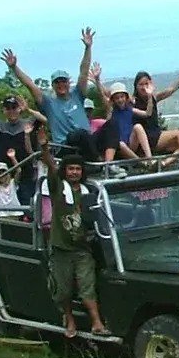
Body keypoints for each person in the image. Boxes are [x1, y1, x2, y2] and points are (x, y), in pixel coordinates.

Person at [36, 126, 110, 338]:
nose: (74, 172)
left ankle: (96, 323)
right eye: (71, 169)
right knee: (64, 290)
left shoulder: (90, 192)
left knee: (88, 287)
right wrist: (44, 147)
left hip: (82, 249)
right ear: (65, 171)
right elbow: (51, 167)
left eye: (78, 169)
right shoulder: (58, 188)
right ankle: (69, 320)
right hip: (61, 249)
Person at [1, 27, 94, 146]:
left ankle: (106, 162)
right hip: (66, 145)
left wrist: (88, 48)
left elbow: (84, 71)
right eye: (57, 82)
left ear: (68, 82)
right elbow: (30, 85)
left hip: (87, 142)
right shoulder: (49, 103)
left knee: (109, 127)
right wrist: (14, 67)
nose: (61, 84)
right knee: (79, 134)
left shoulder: (77, 94)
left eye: (63, 81)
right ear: (53, 85)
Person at [131, 65, 179, 165]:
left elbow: (172, 89)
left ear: (151, 84)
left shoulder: (154, 97)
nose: (144, 87)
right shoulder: (133, 100)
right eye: (140, 84)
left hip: (157, 135)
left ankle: (165, 163)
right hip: (146, 138)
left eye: (146, 83)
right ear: (136, 86)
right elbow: (111, 96)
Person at [0, 152, 23, 218]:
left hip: (15, 213)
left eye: (4, 172)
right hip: (2, 215)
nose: (2, 175)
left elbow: (19, 170)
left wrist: (13, 158)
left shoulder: (12, 183)